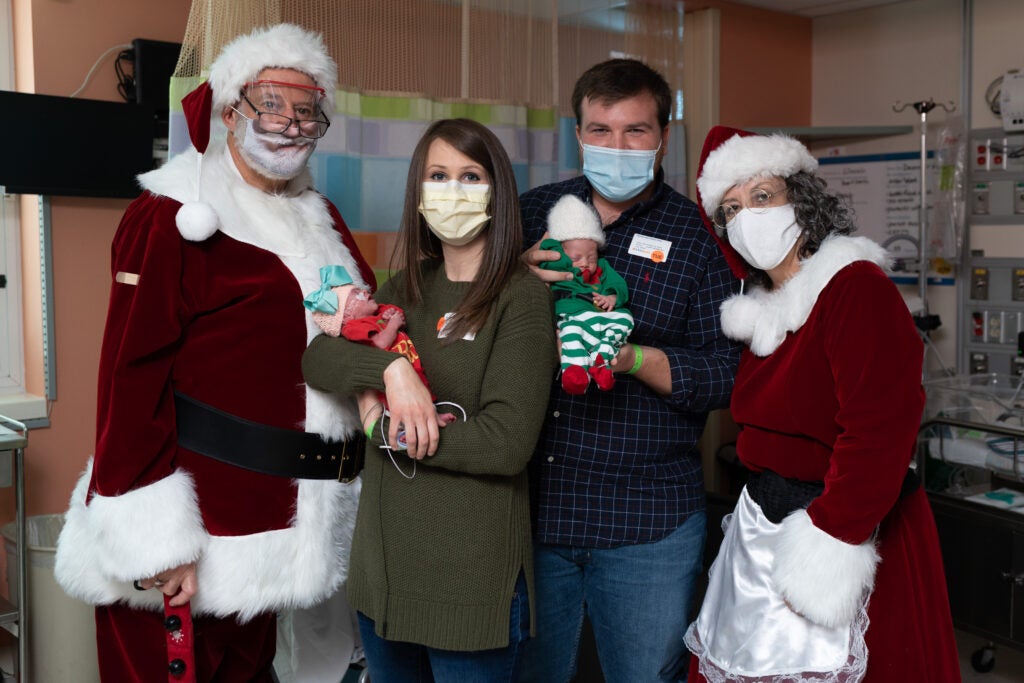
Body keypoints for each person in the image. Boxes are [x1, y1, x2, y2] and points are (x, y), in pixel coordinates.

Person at [53, 24, 375, 682]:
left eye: (306, 107)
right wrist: (157, 541)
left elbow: (354, 334)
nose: (289, 122)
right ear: (231, 111)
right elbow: (129, 377)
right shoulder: (172, 215)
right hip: (187, 547)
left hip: (268, 544)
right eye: (270, 102)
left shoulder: (322, 219)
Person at [684, 126, 961, 683]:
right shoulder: (767, 313)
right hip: (766, 525)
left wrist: (826, 549)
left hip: (846, 533)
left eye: (762, 197)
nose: (748, 218)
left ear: (800, 198)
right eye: (731, 209)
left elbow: (878, 435)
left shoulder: (855, 289)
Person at [302, 118, 558, 681]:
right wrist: (392, 370)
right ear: (419, 192)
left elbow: (503, 444)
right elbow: (318, 359)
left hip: (467, 582)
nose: (452, 190)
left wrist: (381, 428)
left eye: (470, 176)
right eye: (438, 176)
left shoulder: (520, 298)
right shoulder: (405, 288)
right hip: (385, 577)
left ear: (497, 195)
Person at [517, 59, 743, 683]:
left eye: (635, 131)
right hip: (531, 509)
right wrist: (518, 287)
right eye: (601, 130)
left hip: (648, 521)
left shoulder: (700, 236)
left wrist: (632, 357)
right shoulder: (530, 216)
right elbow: (468, 334)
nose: (616, 147)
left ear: (664, 137)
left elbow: (727, 374)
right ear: (578, 134)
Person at [303, 264, 456, 430]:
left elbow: (397, 314)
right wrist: (393, 325)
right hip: (390, 385)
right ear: (347, 315)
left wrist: (390, 315)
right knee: (403, 405)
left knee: (421, 396)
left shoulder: (375, 317)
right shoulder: (354, 327)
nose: (364, 292)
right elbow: (380, 343)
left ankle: (433, 417)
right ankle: (406, 431)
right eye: (356, 294)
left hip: (412, 369)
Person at [539, 194, 634, 394]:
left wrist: (612, 297)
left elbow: (619, 284)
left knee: (626, 319)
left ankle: (602, 361)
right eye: (576, 257)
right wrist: (558, 245)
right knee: (571, 335)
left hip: (601, 317)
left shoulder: (602, 268)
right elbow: (550, 253)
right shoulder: (559, 268)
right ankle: (575, 373)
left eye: (591, 257)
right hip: (573, 317)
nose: (585, 263)